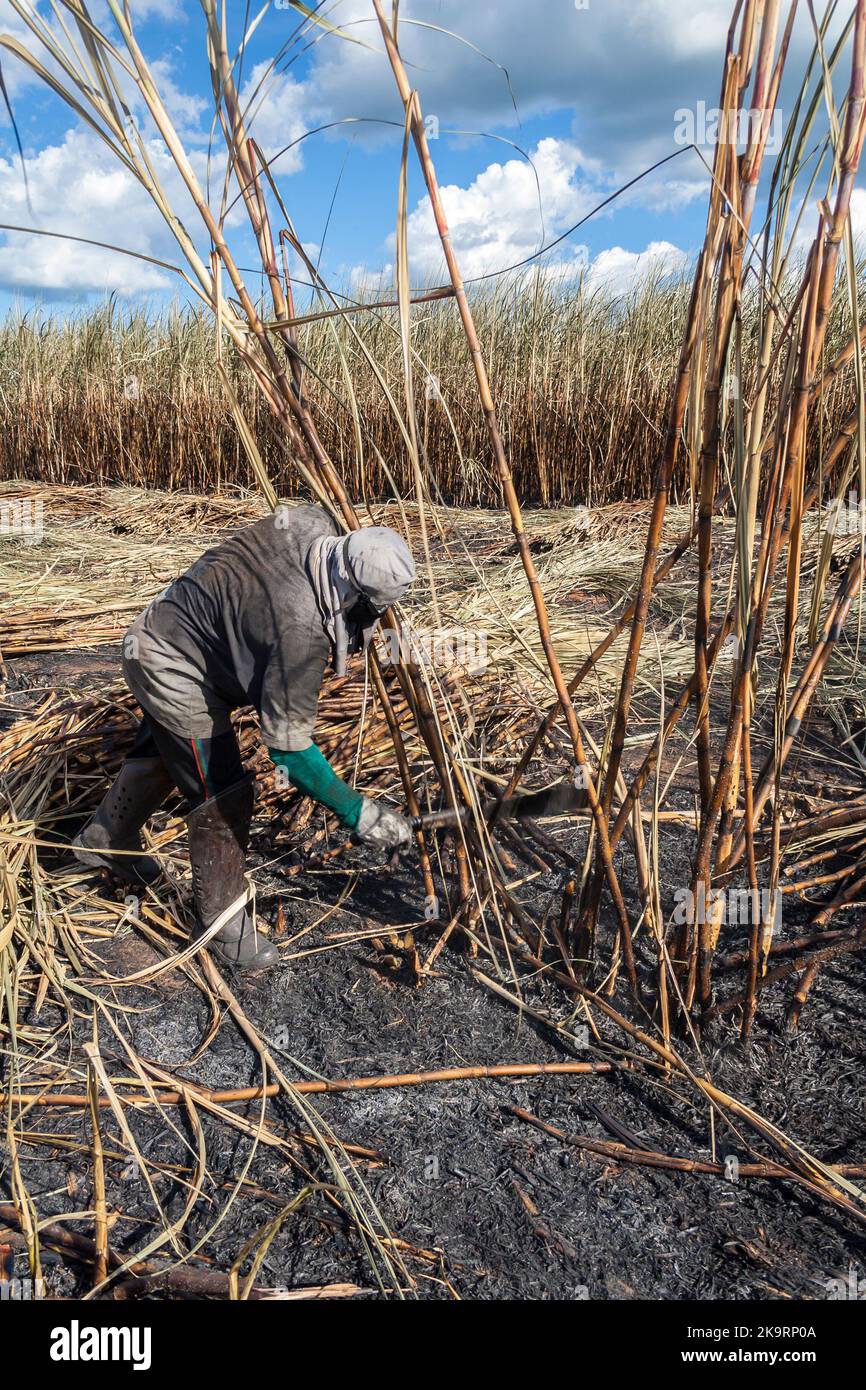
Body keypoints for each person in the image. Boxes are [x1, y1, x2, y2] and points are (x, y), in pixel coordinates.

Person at [73, 504, 416, 972]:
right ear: (352, 593)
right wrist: (358, 812)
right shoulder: (298, 630)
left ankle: (105, 837)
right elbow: (289, 750)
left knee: (171, 752)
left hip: (169, 623)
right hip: (173, 664)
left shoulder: (311, 523)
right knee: (223, 793)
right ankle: (222, 923)